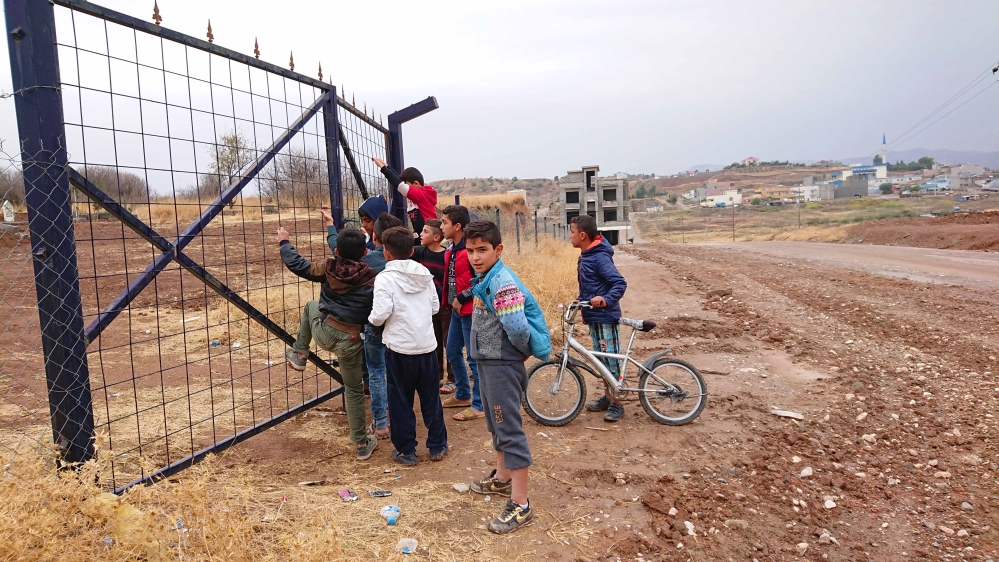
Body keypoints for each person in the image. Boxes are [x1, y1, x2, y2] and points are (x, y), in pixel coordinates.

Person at [463, 220, 551, 534]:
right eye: (471, 250)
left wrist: (521, 352)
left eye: (482, 250)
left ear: (498, 250)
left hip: (501, 365)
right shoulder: (486, 277)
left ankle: (521, 504)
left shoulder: (501, 282)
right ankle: (502, 479)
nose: (475, 256)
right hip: (489, 363)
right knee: (495, 423)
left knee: (508, 429)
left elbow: (516, 328)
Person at [279, 222, 379, 460]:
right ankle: (361, 443)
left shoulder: (327, 268)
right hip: (351, 340)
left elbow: (297, 265)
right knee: (354, 388)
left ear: (338, 251)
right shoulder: (373, 279)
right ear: (365, 252)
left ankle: (300, 353)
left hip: (324, 331)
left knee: (311, 305)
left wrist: (285, 242)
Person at [368, 225, 449, 465]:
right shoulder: (424, 274)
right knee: (430, 397)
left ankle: (406, 450)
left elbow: (381, 313)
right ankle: (437, 445)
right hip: (427, 346)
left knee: (400, 400)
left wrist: (372, 321)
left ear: (386, 253)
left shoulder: (385, 278)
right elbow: (435, 307)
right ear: (411, 251)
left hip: (400, 348)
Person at [323, 206, 401, 440]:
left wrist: (329, 224)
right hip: (400, 325)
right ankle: (399, 414)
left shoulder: (368, 260)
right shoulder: (409, 259)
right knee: (394, 369)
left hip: (373, 323)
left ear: (374, 237)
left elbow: (337, 249)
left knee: (376, 370)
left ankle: (380, 423)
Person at [569, 215, 628, 422]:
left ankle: (617, 403)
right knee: (602, 359)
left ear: (583, 235)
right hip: (594, 316)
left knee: (610, 359)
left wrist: (605, 299)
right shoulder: (586, 255)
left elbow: (619, 284)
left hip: (605, 317)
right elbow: (592, 286)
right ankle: (607, 397)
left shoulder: (599, 257)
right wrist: (581, 300)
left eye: (572, 232)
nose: (570, 236)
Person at [439, 205, 482, 421]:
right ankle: (463, 394)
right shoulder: (451, 250)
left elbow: (480, 281)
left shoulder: (470, 252)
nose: (441, 226)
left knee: (474, 357)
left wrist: (461, 298)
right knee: (452, 350)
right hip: (457, 309)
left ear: (457, 226)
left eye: (445, 222)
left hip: (470, 309)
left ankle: (479, 404)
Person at [410, 219, 455, 393]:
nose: (421, 234)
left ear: (437, 237)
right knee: (433, 343)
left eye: (425, 231)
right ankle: (435, 378)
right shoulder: (419, 253)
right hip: (427, 308)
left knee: (448, 343)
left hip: (445, 307)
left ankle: (452, 379)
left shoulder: (447, 256)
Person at [372, 157, 437, 238]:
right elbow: (399, 181)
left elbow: (399, 184)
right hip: (422, 234)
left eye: (407, 185)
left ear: (416, 184)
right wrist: (387, 166)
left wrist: (383, 168)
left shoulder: (422, 195)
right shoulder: (415, 199)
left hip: (431, 235)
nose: (405, 188)